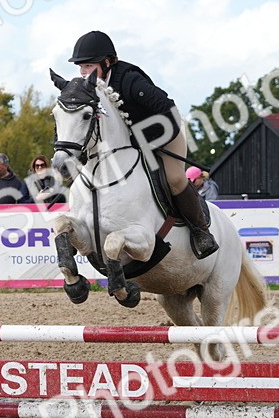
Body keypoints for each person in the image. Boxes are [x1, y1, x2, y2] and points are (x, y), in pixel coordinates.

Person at [69, 30, 218, 258]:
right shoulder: (90, 89)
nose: (83, 72)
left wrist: (146, 142)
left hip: (165, 133)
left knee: (175, 179)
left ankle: (201, 231)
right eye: (81, 67)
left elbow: (169, 110)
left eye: (88, 66)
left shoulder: (129, 80)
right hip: (129, 144)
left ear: (107, 62)